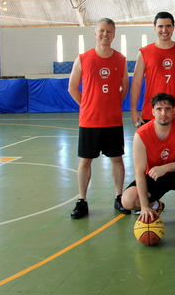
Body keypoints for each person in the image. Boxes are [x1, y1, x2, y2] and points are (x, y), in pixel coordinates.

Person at [130, 12, 175, 212]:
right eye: (160, 26)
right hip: (152, 115)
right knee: (150, 158)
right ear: (154, 28)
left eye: (168, 26)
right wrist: (133, 109)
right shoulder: (144, 52)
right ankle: (149, 198)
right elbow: (136, 82)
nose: (164, 30)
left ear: (173, 27)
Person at [67, 18, 130, 219]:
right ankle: (82, 200)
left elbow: (124, 88)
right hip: (89, 121)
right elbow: (72, 87)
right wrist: (86, 105)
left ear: (114, 35)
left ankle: (119, 197)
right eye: (102, 30)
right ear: (95, 33)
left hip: (112, 121)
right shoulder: (83, 58)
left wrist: (111, 104)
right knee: (85, 161)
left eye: (109, 31)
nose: (105, 34)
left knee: (117, 159)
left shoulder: (120, 59)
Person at [121, 93, 175, 241]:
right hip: (154, 177)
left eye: (167, 109)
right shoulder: (141, 134)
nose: (163, 113)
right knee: (127, 200)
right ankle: (154, 205)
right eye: (159, 109)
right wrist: (145, 206)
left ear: (173, 110)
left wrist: (166, 167)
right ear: (152, 111)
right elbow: (139, 173)